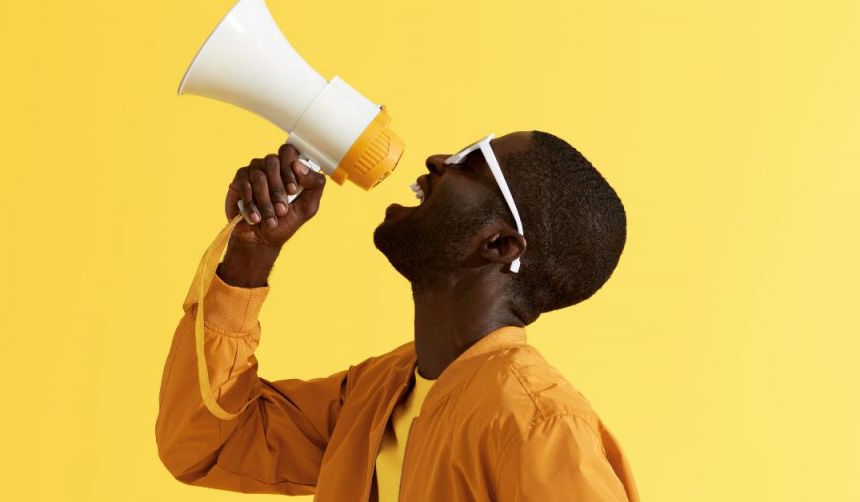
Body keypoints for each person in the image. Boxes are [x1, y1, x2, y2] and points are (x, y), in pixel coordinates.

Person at [156, 131, 640, 501]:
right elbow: (206, 445)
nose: (437, 161)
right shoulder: (378, 395)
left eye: (471, 164)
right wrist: (250, 254)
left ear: (498, 244)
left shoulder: (538, 425)